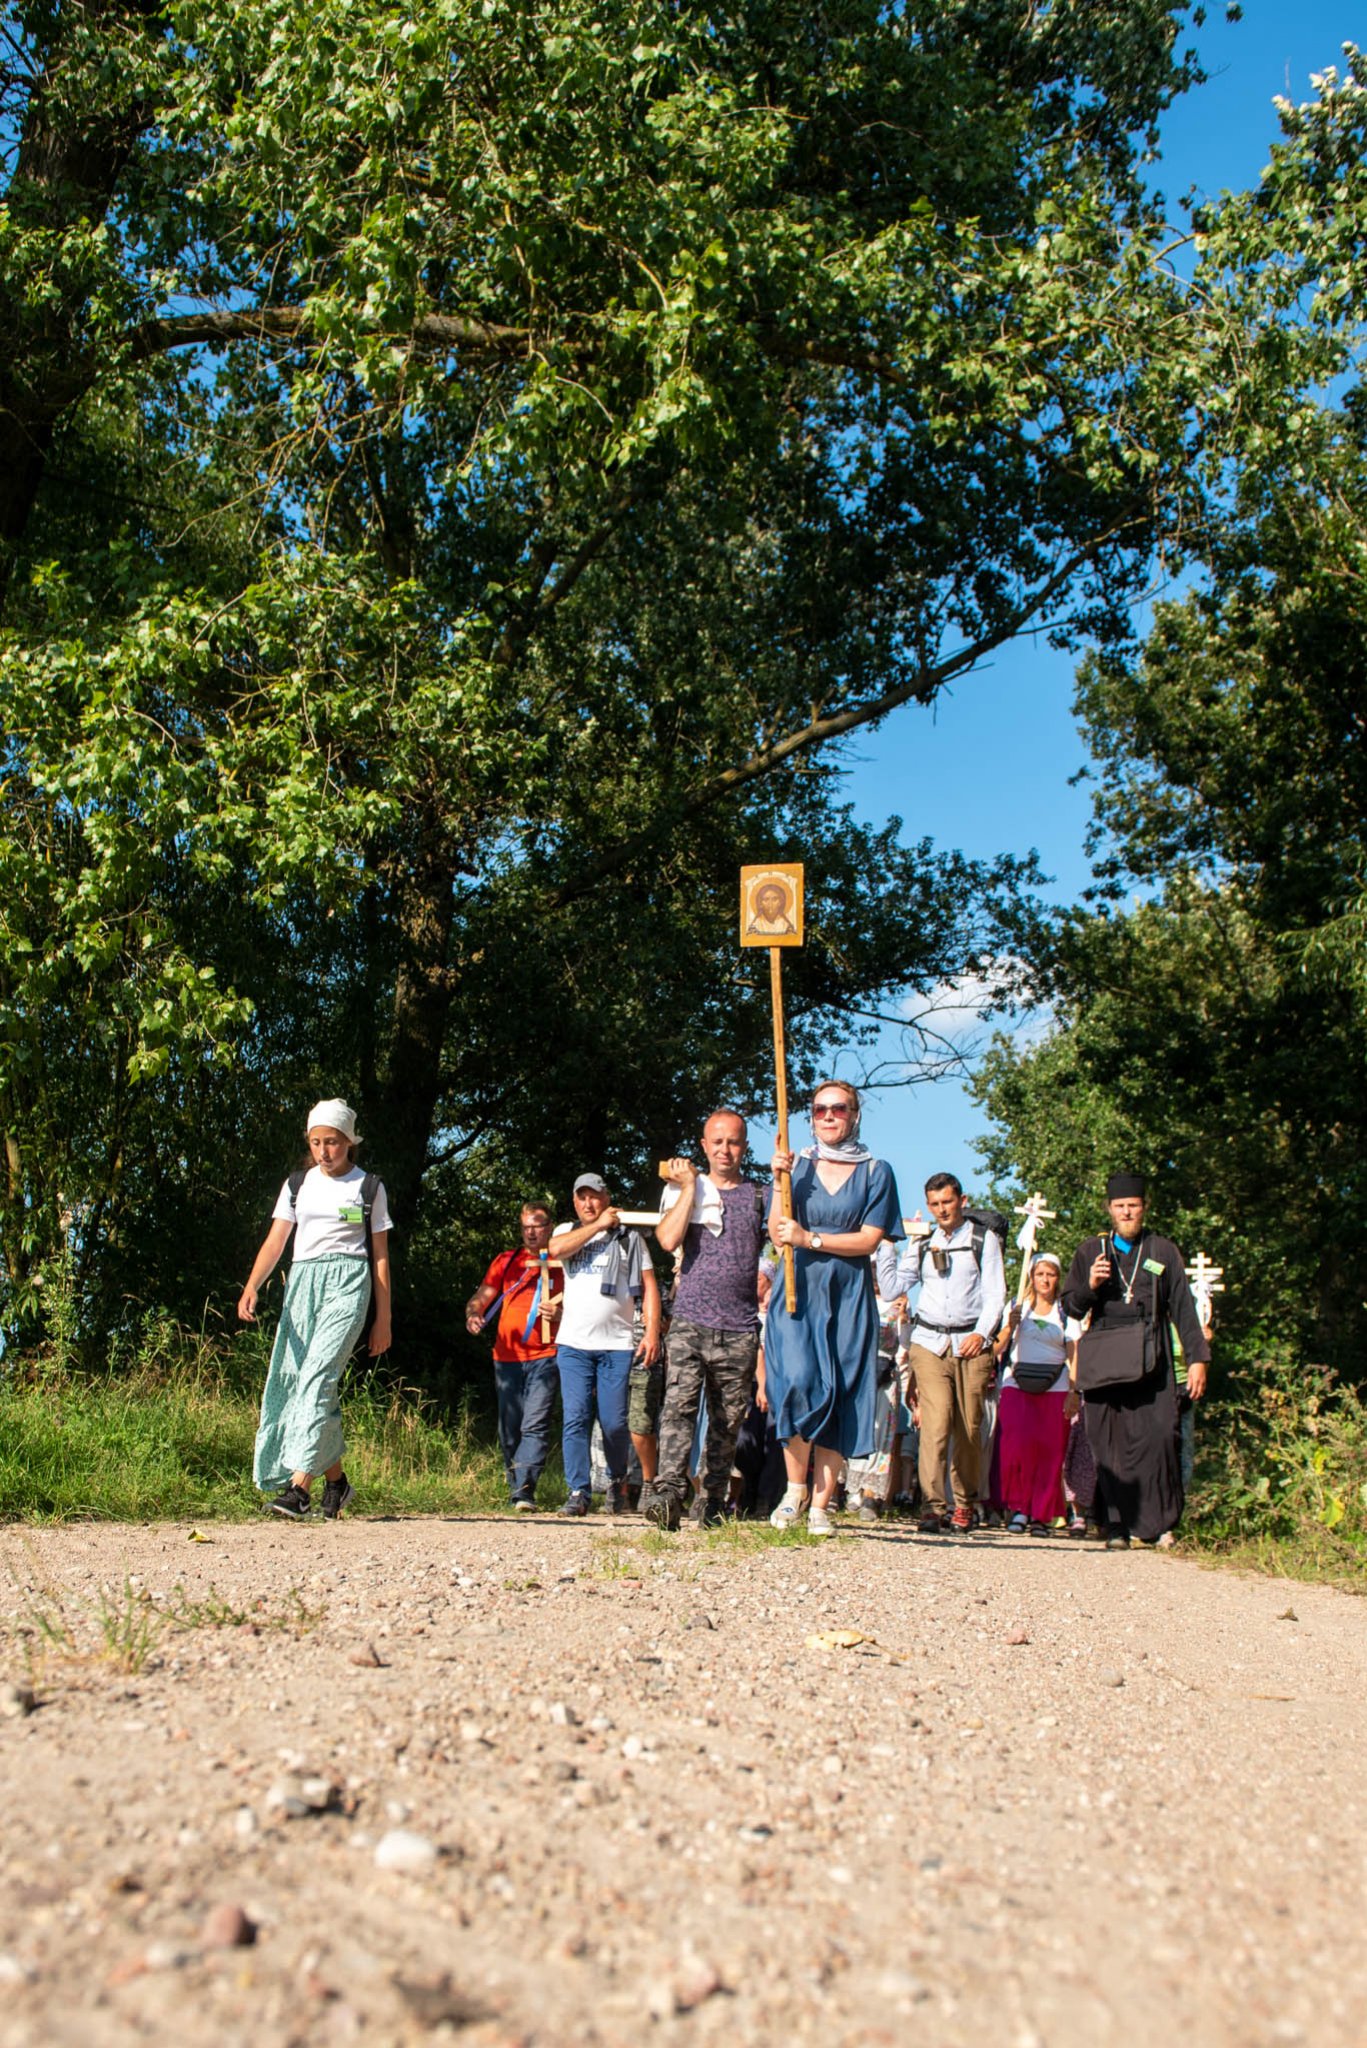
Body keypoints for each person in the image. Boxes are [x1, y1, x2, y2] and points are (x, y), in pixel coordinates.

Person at [239, 1097, 392, 1520]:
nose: (325, 1151)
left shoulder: (369, 1188)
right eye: (317, 1142)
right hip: (302, 1286)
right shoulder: (297, 1185)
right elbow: (276, 1241)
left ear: (350, 1142)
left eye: (334, 1142)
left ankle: (298, 1487)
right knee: (298, 1381)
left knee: (318, 1377)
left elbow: (379, 1257)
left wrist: (384, 1318)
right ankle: (337, 1483)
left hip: (349, 1284)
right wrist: (253, 1284)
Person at [764, 1080, 903, 1537]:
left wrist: (813, 1239)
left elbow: (870, 1239)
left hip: (847, 1292)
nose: (828, 1116)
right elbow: (776, 1232)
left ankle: (822, 1506)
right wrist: (776, 1178)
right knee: (799, 1381)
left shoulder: (876, 1171)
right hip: (797, 1290)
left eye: (838, 1109)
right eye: (820, 1109)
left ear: (854, 1114)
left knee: (841, 1390)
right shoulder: (795, 1167)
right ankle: (794, 1489)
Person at [1061, 1173, 1210, 1549]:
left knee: (1159, 1437)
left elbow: (1184, 1310)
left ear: (1144, 1208)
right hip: (1105, 1356)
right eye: (1120, 1206)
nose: (1127, 1212)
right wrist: (1090, 1286)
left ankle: (1158, 1524)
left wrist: (1197, 1359)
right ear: (1109, 1209)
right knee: (1107, 1444)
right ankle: (1115, 1526)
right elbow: (1071, 1307)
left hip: (1152, 1357)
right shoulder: (1089, 1250)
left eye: (1133, 1206)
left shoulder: (1162, 1251)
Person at [645, 1110, 767, 1530]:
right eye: (716, 1142)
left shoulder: (759, 1195)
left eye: (733, 1142)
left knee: (727, 1420)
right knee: (677, 1408)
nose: (725, 1150)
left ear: (744, 1147)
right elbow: (667, 1239)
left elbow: (787, 1231)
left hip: (739, 1328)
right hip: (690, 1321)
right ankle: (668, 1494)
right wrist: (690, 1187)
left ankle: (713, 1499)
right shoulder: (688, 1190)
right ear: (704, 1145)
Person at [900, 1172, 1006, 1535]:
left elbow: (995, 1293)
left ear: (961, 1200)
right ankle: (932, 1506)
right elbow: (899, 1283)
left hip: (970, 1342)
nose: (941, 1210)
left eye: (947, 1202)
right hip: (929, 1341)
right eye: (934, 1204)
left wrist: (982, 1333)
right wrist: (889, 1244)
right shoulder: (922, 1241)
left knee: (969, 1426)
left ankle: (964, 1503)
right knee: (936, 1421)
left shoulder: (982, 1239)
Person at [551, 1173, 662, 1517]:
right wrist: (598, 1226)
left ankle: (617, 1479)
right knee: (576, 1417)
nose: (588, 1203)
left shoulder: (630, 1239)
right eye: (581, 1197)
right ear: (574, 1202)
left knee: (614, 1422)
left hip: (617, 1344)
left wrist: (653, 1332)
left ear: (606, 1197)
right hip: (573, 1344)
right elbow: (555, 1251)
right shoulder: (566, 1233)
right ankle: (578, 1491)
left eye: (595, 1197)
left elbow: (649, 1286)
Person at [464, 1201, 563, 1510]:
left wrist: (561, 1312)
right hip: (506, 1357)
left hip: (547, 1354)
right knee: (509, 1428)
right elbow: (480, 1298)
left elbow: (582, 1307)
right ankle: (516, 1486)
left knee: (534, 1424)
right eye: (526, 1227)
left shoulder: (564, 1261)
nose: (531, 1232)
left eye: (538, 1225)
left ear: (550, 1227)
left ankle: (523, 1491)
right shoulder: (507, 1261)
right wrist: (473, 1314)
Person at [991, 1251, 1080, 1535]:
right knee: (1015, 1448)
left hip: (1056, 1385)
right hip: (1017, 1382)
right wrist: (1010, 1324)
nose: (1045, 1279)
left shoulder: (1065, 1311)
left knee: (1050, 1451)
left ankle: (1041, 1515)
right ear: (1031, 1276)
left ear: (1058, 1278)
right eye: (1040, 1274)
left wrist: (1074, 1391)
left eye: (1050, 1274)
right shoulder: (1018, 1306)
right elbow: (996, 1349)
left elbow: (1074, 1353)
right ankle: (1018, 1508)